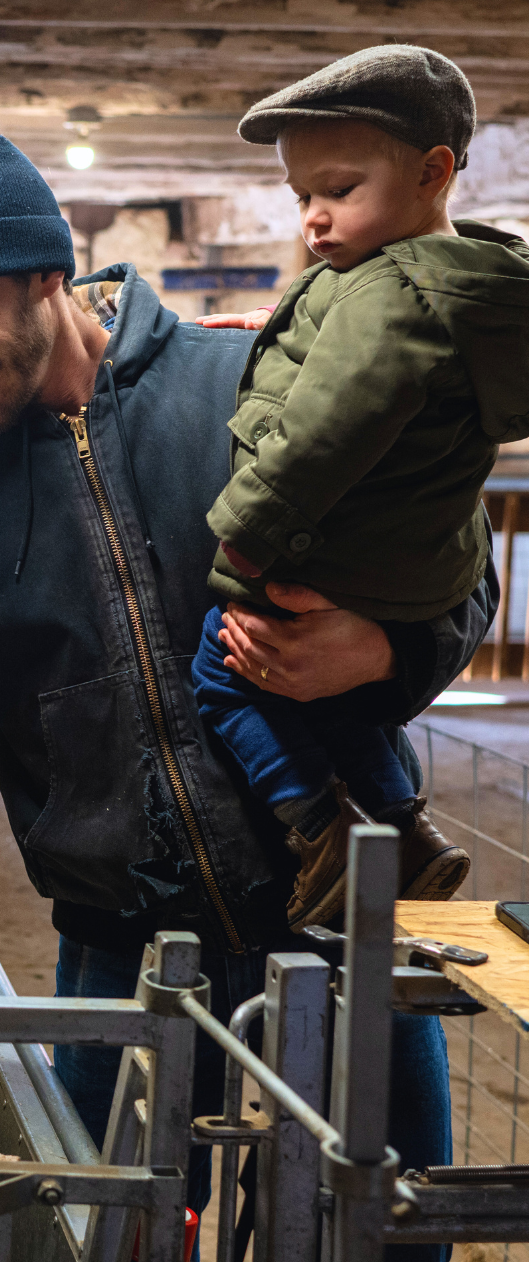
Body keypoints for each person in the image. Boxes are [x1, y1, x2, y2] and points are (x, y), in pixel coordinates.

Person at [0, 125, 497, 1262]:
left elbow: (449, 579)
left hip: (346, 922)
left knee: (387, 1252)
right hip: (124, 952)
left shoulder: (249, 390)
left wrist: (386, 650)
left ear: (46, 273)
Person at [190, 45, 529, 936]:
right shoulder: (462, 292)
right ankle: (406, 832)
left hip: (318, 552)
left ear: (433, 171)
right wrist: (296, 329)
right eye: (302, 196)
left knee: (221, 676)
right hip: (404, 573)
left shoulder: (386, 302)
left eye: (338, 189)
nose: (313, 218)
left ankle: (321, 825)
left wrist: (244, 534)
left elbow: (321, 435)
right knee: (338, 710)